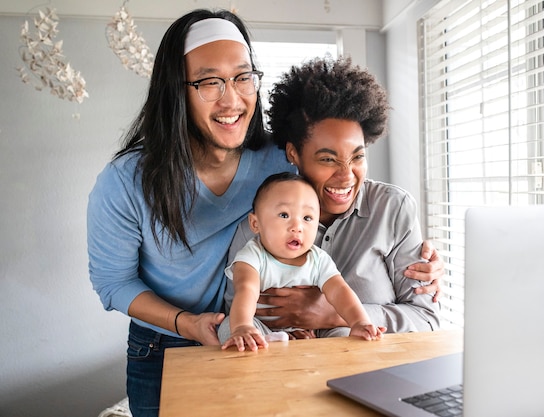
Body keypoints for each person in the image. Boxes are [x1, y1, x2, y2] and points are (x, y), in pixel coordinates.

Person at [87, 8, 441, 417]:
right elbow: (113, 283)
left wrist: (421, 263)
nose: (232, 98)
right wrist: (186, 323)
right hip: (165, 340)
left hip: (256, 341)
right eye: (209, 82)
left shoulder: (280, 162)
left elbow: (342, 188)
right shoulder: (126, 180)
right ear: (177, 91)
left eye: (242, 77)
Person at [228, 56, 441, 338]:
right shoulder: (261, 218)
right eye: (328, 159)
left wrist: (333, 314)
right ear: (294, 154)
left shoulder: (393, 209)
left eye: (357, 157)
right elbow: (237, 313)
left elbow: (426, 318)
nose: (346, 175)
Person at [218, 172, 385, 351]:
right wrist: (243, 326)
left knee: (344, 334)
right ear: (255, 224)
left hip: (312, 332)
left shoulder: (318, 259)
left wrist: (359, 321)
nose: (297, 227)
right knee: (229, 327)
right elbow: (246, 289)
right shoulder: (252, 256)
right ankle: (266, 343)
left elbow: (339, 291)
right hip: (263, 329)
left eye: (307, 218)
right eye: (284, 215)